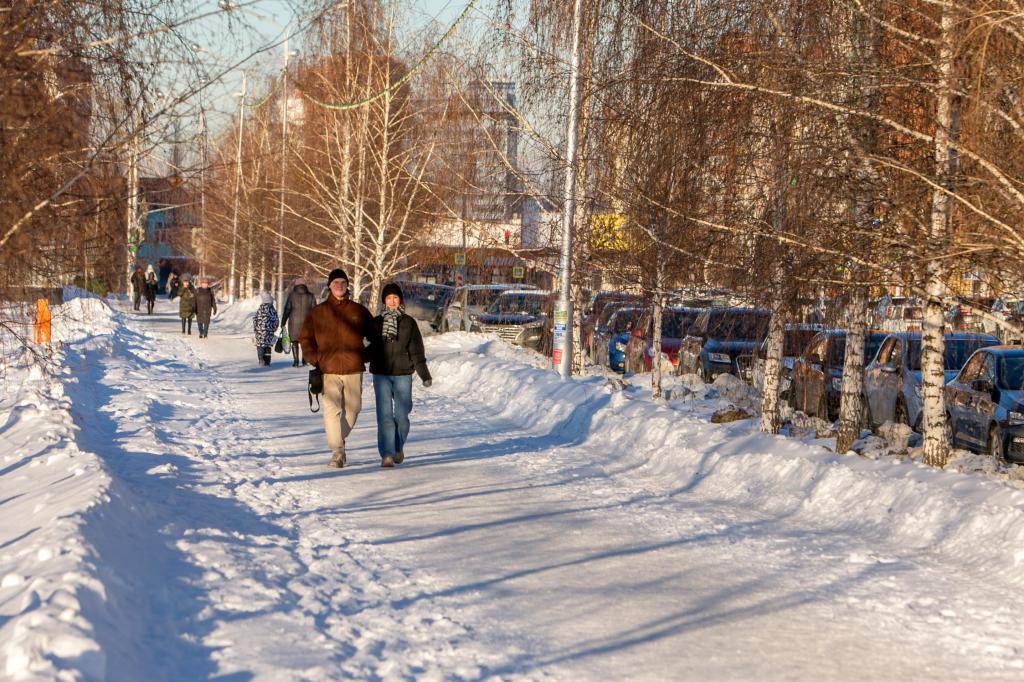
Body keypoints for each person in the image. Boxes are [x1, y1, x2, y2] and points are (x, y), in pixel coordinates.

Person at [299, 268, 377, 468]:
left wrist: (365, 355)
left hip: (353, 368)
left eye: (343, 283)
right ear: (329, 286)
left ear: (348, 286)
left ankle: (338, 441)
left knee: (353, 409)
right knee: (331, 411)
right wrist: (314, 358)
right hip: (328, 369)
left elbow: (375, 336)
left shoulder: (358, 311)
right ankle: (337, 452)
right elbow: (306, 337)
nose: (339, 286)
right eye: (335, 283)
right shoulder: (318, 312)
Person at [370, 283, 432, 468]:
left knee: (402, 415)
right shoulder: (376, 323)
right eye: (388, 298)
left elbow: (417, 351)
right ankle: (387, 454)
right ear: (384, 301)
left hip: (403, 373)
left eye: (395, 298)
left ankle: (398, 447)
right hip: (381, 373)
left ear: (400, 300)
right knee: (385, 416)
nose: (392, 301)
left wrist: (424, 374)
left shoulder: (409, 323)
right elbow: (368, 348)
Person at [280, 278, 317, 367]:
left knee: (294, 341)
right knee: (305, 342)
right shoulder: (310, 296)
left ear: (296, 285)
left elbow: (287, 309)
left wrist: (283, 321)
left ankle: (296, 362)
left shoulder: (292, 295)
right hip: (307, 323)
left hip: (293, 323)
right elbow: (315, 310)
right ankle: (305, 361)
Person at [253, 292, 279, 366]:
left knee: (260, 345)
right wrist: (275, 327)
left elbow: (255, 320)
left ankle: (261, 359)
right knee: (267, 346)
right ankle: (267, 361)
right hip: (269, 331)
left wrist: (256, 329)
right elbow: (276, 320)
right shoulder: (272, 310)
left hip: (259, 331)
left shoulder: (260, 309)